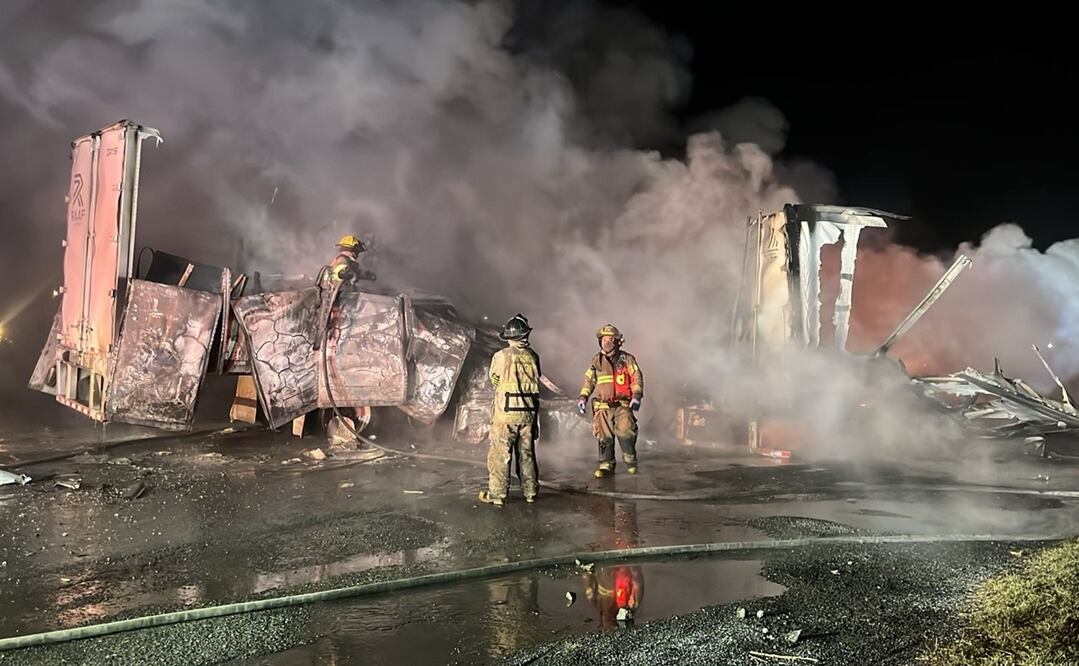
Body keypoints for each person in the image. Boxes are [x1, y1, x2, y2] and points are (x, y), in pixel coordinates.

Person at [479, 314, 542, 507]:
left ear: (508, 337)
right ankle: (530, 492)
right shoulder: (533, 356)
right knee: (527, 454)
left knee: (501, 454)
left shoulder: (501, 356)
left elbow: (495, 380)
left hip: (506, 414)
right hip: (528, 414)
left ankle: (498, 495)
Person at [578, 324, 644, 478]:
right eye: (603, 340)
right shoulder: (596, 361)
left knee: (626, 432)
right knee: (604, 436)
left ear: (617, 341)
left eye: (610, 339)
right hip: (603, 406)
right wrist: (583, 397)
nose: (606, 342)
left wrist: (636, 396)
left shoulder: (627, 359)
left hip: (623, 405)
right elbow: (589, 381)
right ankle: (606, 464)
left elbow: (636, 378)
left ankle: (630, 461)